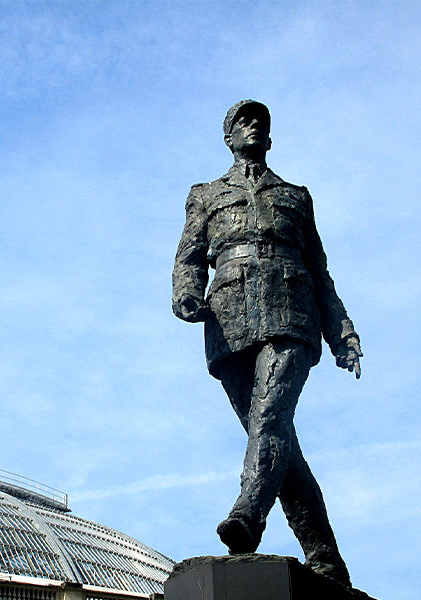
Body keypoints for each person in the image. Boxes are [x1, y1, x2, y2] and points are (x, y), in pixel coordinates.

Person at [172, 100, 362, 586]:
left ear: (270, 139)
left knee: (270, 418)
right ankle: (326, 558)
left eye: (262, 123)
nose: (254, 127)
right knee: (280, 445)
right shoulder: (205, 194)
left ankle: (247, 516)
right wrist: (187, 293)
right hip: (229, 320)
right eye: (244, 121)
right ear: (228, 137)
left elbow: (320, 273)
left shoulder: (297, 196)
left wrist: (342, 332)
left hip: (290, 313)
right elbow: (189, 255)